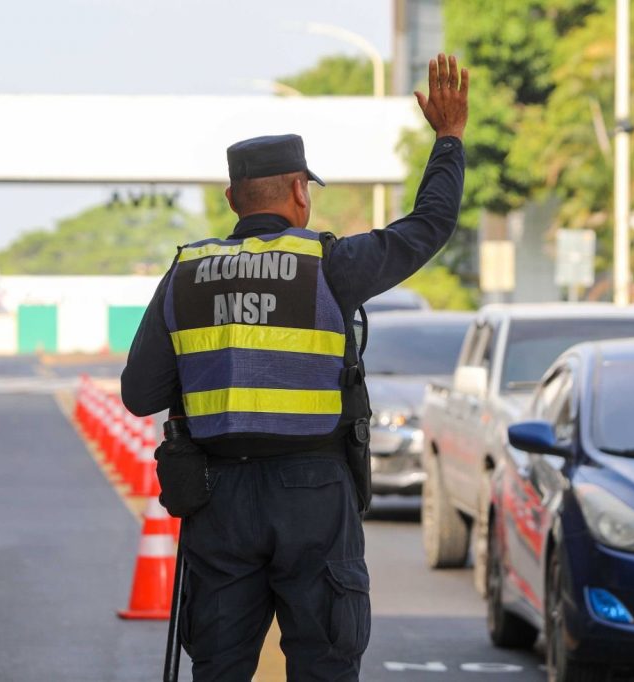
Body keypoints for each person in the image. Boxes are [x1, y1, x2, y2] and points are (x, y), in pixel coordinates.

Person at [121, 53, 468, 681]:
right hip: (314, 495)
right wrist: (448, 140)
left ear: (231, 198)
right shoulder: (330, 266)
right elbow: (429, 225)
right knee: (324, 663)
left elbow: (140, 393)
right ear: (300, 191)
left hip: (217, 498)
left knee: (220, 668)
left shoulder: (186, 272)